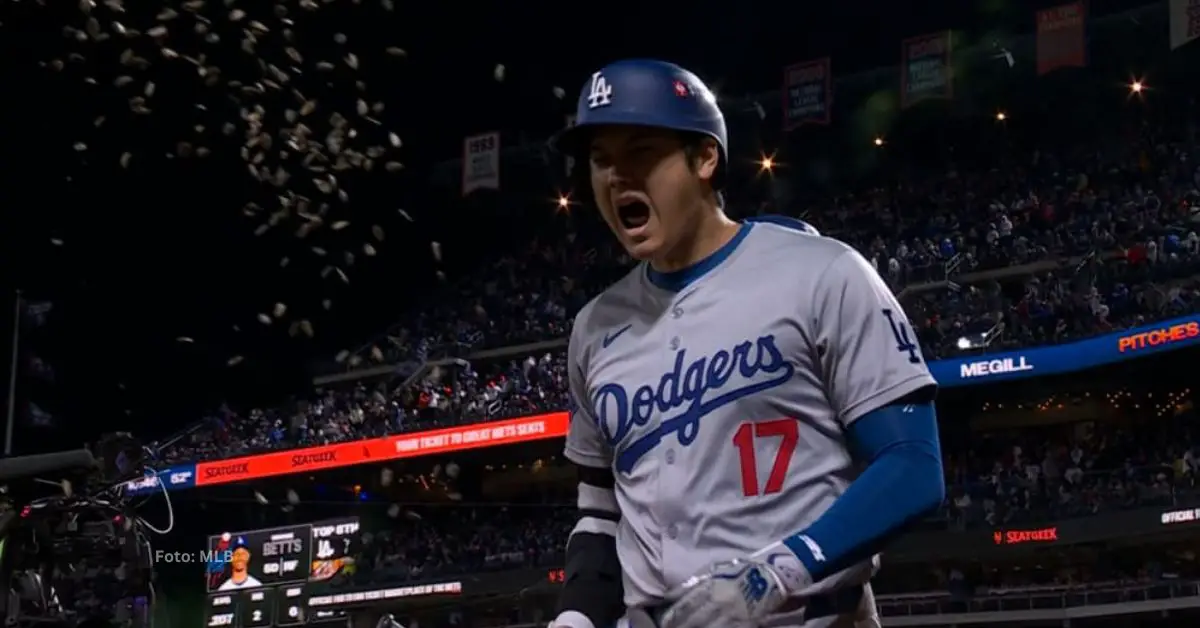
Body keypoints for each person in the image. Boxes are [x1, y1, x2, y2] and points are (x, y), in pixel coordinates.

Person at [549, 59, 945, 628]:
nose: (616, 177)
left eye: (640, 152)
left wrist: (779, 571)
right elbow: (599, 513)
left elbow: (912, 464)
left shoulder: (823, 273)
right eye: (601, 160)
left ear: (705, 158)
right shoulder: (594, 327)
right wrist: (577, 617)